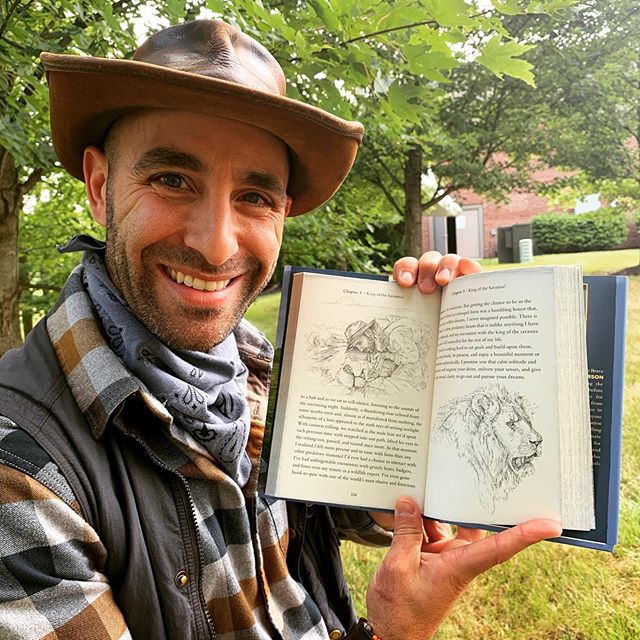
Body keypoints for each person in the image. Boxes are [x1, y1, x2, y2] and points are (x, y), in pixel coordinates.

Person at [0, 19, 561, 640]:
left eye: (255, 197)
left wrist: (434, 376)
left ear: (282, 214)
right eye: (172, 180)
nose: (216, 246)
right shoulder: (19, 466)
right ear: (101, 187)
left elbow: (324, 507)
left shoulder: (252, 360)